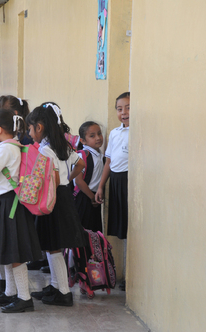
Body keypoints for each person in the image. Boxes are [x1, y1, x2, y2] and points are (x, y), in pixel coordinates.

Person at [0, 109, 43, 313]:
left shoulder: (5, 149)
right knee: (8, 250)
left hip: (11, 205)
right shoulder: (13, 145)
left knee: (15, 253)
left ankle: (24, 297)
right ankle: (10, 293)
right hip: (9, 203)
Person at [26, 102, 86, 307]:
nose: (29, 133)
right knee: (53, 245)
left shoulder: (45, 149)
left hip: (52, 200)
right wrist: (69, 178)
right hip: (63, 196)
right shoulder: (61, 144)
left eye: (30, 128)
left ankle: (63, 291)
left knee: (53, 248)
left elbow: (48, 178)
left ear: (39, 127)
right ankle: (55, 285)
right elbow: (81, 163)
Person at [95, 92, 130, 291]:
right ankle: (123, 274)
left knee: (129, 230)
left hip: (127, 181)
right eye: (119, 109)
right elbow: (108, 161)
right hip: (115, 182)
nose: (123, 112)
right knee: (121, 231)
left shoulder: (137, 131)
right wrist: (101, 186)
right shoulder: (116, 133)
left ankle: (128, 277)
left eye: (128, 108)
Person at [72, 121, 105, 232]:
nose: (98, 138)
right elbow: (78, 180)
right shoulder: (82, 156)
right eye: (92, 136)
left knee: (94, 232)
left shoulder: (101, 155)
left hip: (94, 198)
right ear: (83, 141)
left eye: (99, 133)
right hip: (84, 197)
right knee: (83, 232)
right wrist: (92, 197)